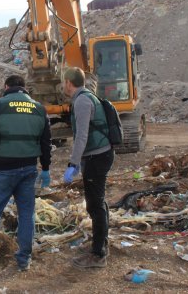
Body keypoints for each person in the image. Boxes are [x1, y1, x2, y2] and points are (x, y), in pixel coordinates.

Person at [0, 75, 52, 273]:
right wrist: (46, 168)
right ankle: (24, 260)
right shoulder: (39, 109)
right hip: (28, 170)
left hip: (2, 170)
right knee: (26, 215)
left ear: (7, 87)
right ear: (24, 88)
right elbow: (45, 143)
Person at [62, 67, 114, 268]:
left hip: (96, 157)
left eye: (64, 82)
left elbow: (82, 135)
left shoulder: (82, 101)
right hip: (99, 154)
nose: (63, 86)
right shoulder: (87, 96)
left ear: (69, 82)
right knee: (99, 202)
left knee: (95, 204)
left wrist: (73, 163)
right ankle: (101, 244)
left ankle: (98, 255)